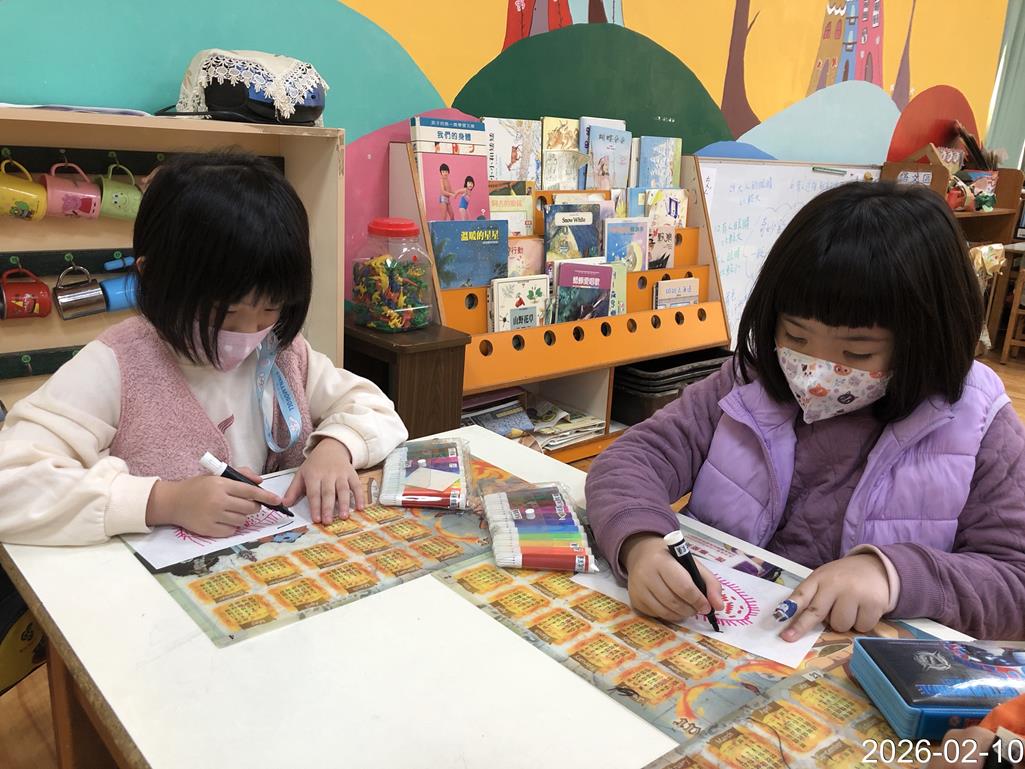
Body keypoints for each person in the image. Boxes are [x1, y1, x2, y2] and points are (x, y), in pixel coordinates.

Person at [586, 181, 1025, 641]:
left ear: (928, 339)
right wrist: (642, 542)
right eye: (796, 337)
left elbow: (1014, 583)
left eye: (857, 352)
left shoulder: (978, 421)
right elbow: (632, 459)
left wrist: (893, 575)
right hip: (718, 632)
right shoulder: (750, 380)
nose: (815, 374)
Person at [0, 152, 408, 545]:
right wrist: (162, 501)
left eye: (271, 307)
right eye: (226, 312)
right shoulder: (117, 363)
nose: (250, 332)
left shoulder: (280, 351)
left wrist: (337, 446)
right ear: (153, 277)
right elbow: (11, 484)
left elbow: (374, 407)